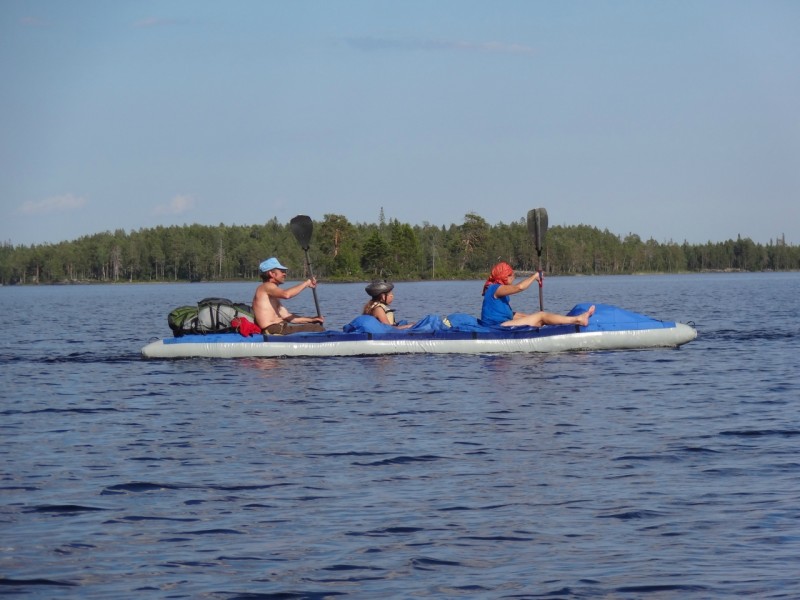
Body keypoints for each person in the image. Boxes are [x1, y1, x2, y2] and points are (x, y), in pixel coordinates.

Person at [480, 261, 595, 328]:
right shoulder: (495, 289)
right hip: (496, 328)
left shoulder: (498, 290)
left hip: (501, 324)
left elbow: (511, 314)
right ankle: (579, 320)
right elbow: (519, 287)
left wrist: (532, 318)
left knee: (539, 315)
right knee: (541, 316)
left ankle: (563, 321)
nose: (514, 276)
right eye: (511, 274)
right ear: (503, 276)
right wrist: (534, 277)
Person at [253, 257, 325, 335]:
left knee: (314, 326)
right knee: (318, 329)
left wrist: (312, 319)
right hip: (274, 330)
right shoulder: (266, 286)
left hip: (280, 328)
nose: (284, 274)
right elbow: (286, 295)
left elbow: (287, 316)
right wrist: (306, 283)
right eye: (282, 271)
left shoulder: (271, 293)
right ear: (272, 274)